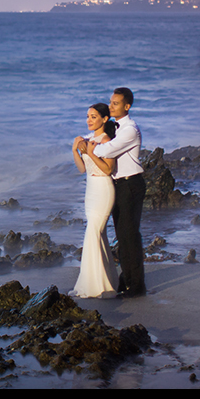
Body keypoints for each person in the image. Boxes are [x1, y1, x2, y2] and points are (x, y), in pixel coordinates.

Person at [85, 87, 147, 297]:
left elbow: (107, 150)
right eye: (111, 103)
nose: (111, 106)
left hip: (131, 184)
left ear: (127, 106)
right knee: (122, 235)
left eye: (115, 104)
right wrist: (88, 143)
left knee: (130, 236)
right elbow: (98, 138)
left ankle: (137, 286)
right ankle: (125, 279)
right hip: (118, 186)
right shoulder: (114, 127)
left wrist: (91, 148)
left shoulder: (130, 130)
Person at [69, 103, 120, 299]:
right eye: (88, 116)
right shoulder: (88, 140)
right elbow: (83, 169)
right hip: (90, 189)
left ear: (104, 119)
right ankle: (104, 282)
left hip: (103, 189)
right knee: (98, 235)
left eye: (94, 117)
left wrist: (90, 152)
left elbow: (108, 169)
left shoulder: (106, 141)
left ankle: (98, 286)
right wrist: (75, 150)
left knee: (93, 233)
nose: (89, 120)